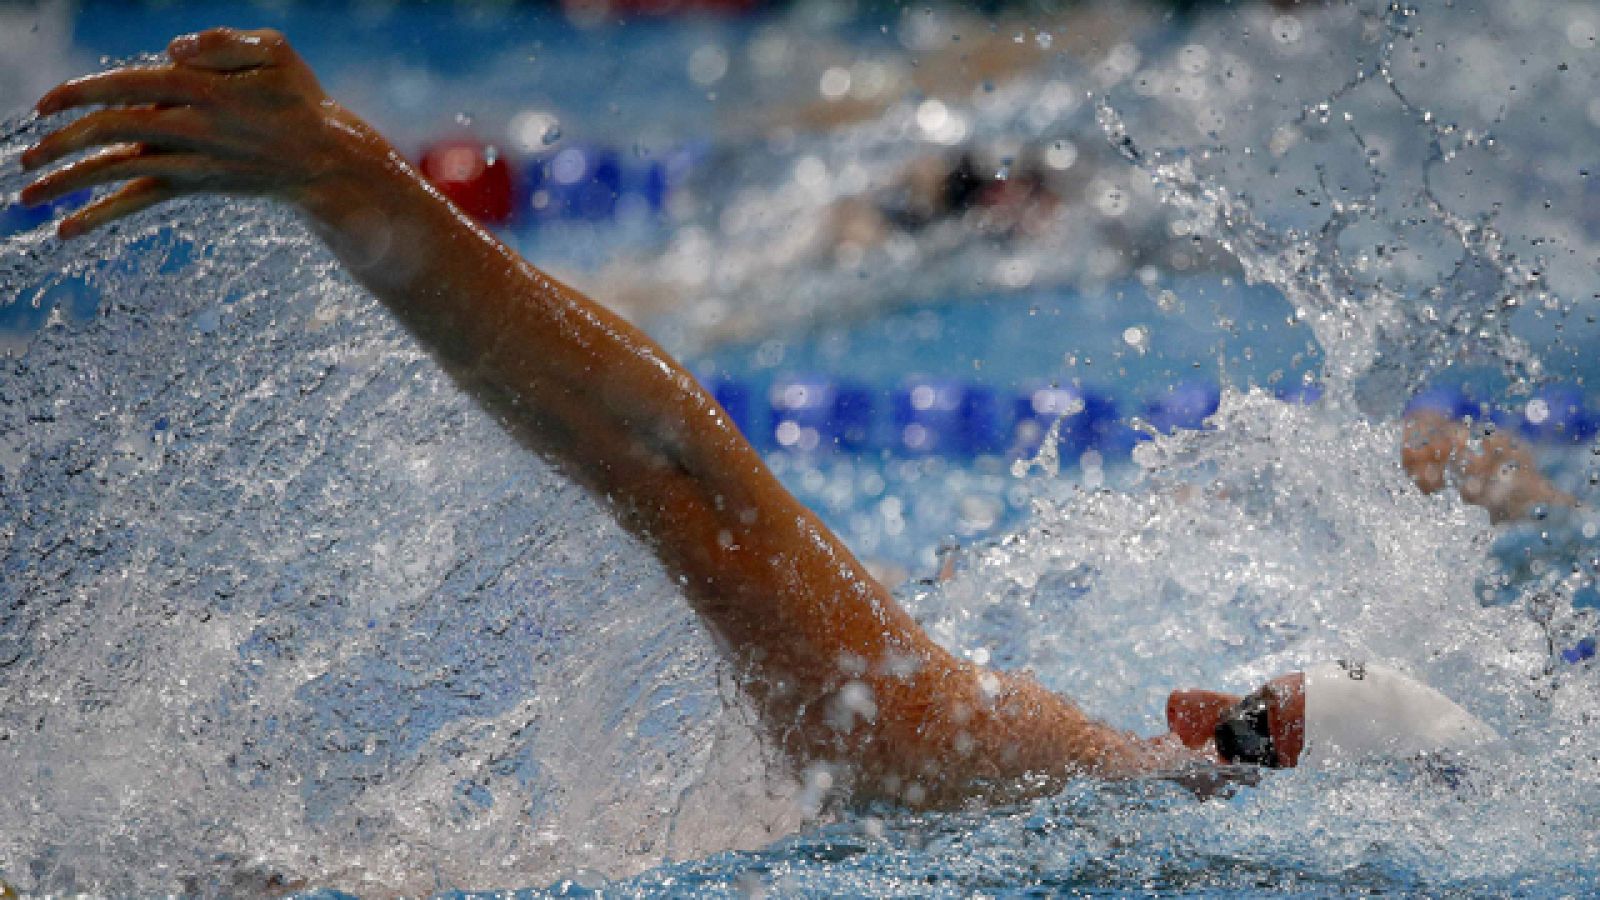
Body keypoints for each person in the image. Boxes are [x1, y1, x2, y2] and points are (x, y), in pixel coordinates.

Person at [19, 28, 1496, 809]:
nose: (1184, 705)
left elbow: (682, 475)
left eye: (1237, 711)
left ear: (1203, 729)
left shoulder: (996, 772)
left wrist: (351, 178)